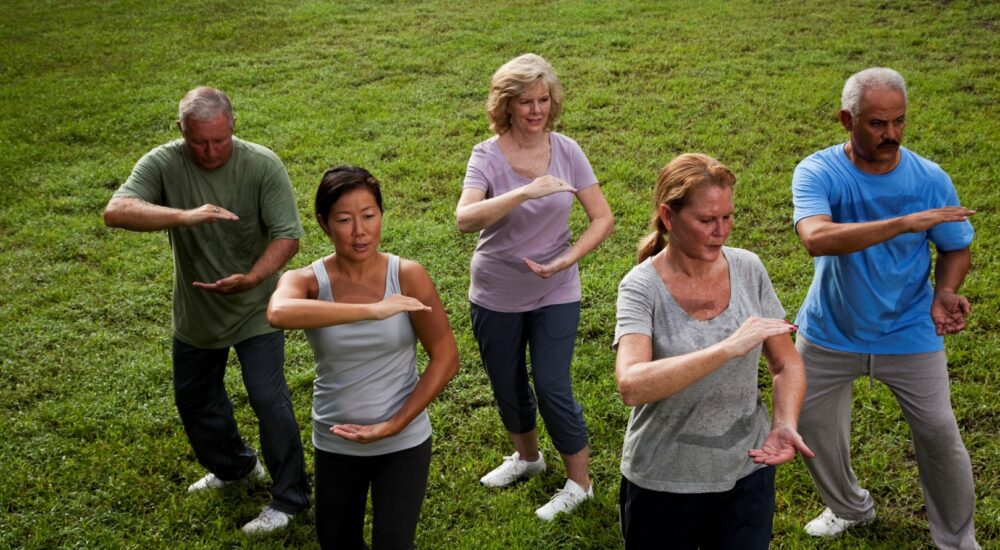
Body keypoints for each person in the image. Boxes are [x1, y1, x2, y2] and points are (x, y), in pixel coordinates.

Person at [102, 87, 310, 534]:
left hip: (255, 306)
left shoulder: (261, 164)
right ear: (181, 131)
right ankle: (235, 467)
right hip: (196, 310)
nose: (212, 151)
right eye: (200, 142)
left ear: (233, 126)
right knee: (195, 401)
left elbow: (288, 237)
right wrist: (184, 216)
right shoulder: (163, 161)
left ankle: (291, 497)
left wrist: (254, 278)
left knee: (268, 400)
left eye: (220, 140)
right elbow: (116, 211)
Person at [792, 67, 980, 549]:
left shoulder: (929, 177)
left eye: (899, 121)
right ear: (845, 119)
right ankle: (849, 508)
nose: (891, 134)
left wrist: (944, 291)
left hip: (909, 331)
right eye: (877, 123)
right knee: (811, 428)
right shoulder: (818, 170)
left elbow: (955, 246)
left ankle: (957, 542)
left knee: (940, 436)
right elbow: (816, 238)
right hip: (830, 329)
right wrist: (903, 222)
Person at [614, 153, 814, 549]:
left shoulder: (748, 269)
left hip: (746, 472)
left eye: (727, 217)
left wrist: (785, 420)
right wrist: (726, 349)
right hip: (662, 479)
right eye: (706, 220)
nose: (720, 231)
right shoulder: (641, 287)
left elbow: (785, 362)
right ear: (668, 217)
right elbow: (631, 385)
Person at [455, 53, 614, 521]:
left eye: (544, 99)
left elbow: (602, 218)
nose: (536, 110)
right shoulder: (486, 155)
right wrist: (523, 191)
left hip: (556, 287)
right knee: (507, 383)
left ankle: (579, 484)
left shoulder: (567, 150)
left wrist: (566, 259)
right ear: (506, 105)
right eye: (526, 101)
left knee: (551, 383)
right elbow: (465, 219)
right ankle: (527, 458)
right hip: (495, 289)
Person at [268, 166, 459, 549]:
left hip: (402, 442)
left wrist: (393, 425)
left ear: (381, 215)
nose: (360, 231)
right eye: (344, 219)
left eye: (369, 216)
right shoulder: (307, 280)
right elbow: (278, 312)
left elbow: (446, 357)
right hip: (336, 441)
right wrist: (371, 310)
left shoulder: (407, 275)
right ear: (324, 223)